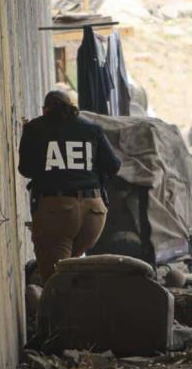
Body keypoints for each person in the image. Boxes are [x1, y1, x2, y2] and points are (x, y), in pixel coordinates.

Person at [18, 90, 121, 282]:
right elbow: (114, 166)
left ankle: (58, 311)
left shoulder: (35, 128)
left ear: (45, 109)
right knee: (70, 273)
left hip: (57, 211)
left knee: (56, 281)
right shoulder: (92, 129)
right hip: (94, 212)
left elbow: (26, 169)